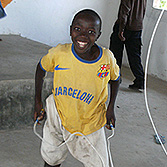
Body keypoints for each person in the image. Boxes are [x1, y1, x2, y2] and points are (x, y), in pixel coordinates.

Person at [34, 9, 120, 167]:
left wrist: (111, 107)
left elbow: (116, 79)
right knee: (51, 157)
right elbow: (40, 68)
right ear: (70, 30)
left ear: (98, 35)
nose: (83, 36)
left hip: (90, 120)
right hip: (58, 114)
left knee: (99, 163)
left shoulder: (106, 58)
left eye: (91, 31)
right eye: (78, 29)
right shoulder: (59, 53)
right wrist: (38, 102)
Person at [109, 0, 147, 90]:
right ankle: (140, 80)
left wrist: (121, 29)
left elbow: (124, 10)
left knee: (115, 53)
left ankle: (116, 77)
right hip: (137, 27)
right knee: (135, 56)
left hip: (125, 26)